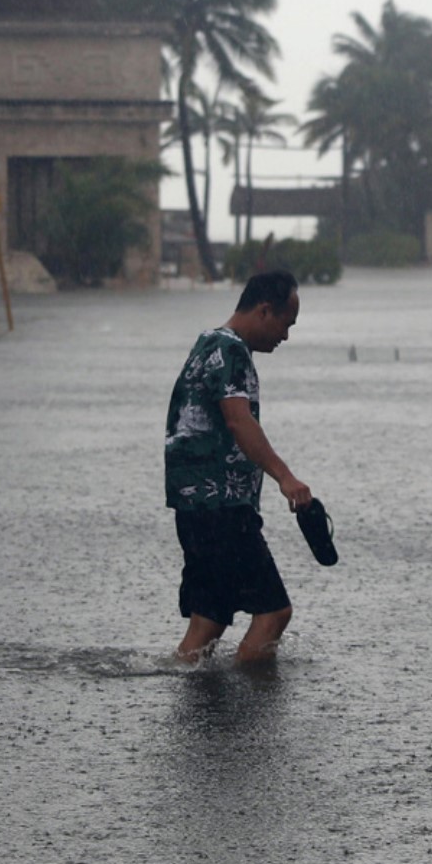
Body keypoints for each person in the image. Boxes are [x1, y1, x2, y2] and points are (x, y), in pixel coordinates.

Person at [165, 270, 313, 666]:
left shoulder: (207, 343)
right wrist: (286, 477)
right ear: (266, 311)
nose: (285, 336)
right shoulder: (231, 351)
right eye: (286, 324)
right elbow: (238, 419)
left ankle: (197, 703)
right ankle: (251, 714)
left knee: (209, 621)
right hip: (222, 509)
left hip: (194, 508)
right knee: (274, 613)